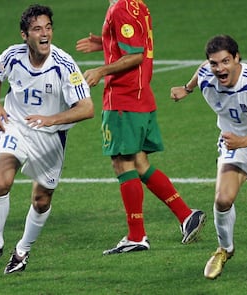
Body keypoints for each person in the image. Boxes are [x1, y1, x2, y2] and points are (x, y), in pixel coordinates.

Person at [75, 0, 206, 255]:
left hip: (124, 99)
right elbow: (137, 42)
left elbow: (136, 55)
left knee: (122, 163)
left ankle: (136, 236)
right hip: (140, 96)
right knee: (139, 162)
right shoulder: (137, 5)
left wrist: (101, 69)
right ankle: (186, 215)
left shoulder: (120, 7)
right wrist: (106, 42)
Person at [0, 4, 94, 274]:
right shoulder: (13, 56)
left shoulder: (64, 65)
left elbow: (87, 108)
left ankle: (22, 252)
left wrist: (51, 119)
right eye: (37, 29)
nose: (45, 34)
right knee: (1, 182)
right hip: (16, 126)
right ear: (24, 35)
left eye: (48, 28)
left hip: (49, 138)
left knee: (41, 201)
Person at [170, 35, 247, 283]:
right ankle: (225, 249)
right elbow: (200, 71)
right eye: (214, 63)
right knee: (223, 199)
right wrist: (187, 89)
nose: (219, 68)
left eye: (225, 61)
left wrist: (243, 142)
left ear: (237, 58)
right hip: (235, 144)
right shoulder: (207, 74)